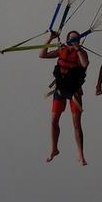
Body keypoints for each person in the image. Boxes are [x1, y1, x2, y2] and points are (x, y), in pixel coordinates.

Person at [40, 29, 89, 165]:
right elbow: (42, 55)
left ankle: (80, 153)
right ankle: (54, 149)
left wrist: (78, 49)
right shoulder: (62, 50)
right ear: (67, 40)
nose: (73, 41)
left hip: (74, 92)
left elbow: (84, 64)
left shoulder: (82, 53)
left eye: (76, 39)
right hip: (60, 91)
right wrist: (50, 38)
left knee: (76, 124)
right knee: (54, 121)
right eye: (71, 39)